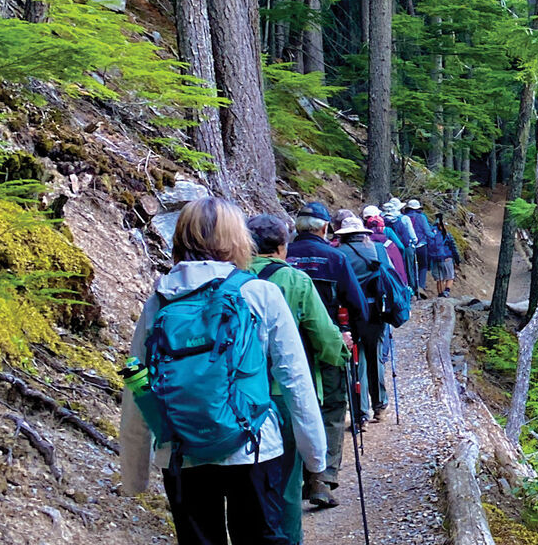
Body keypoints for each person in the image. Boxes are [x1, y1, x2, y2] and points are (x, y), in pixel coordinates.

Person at [118, 197, 326, 545]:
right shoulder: (259, 293)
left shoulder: (160, 300)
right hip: (254, 445)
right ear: (237, 240)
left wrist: (134, 474)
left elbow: (139, 388)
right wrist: (315, 456)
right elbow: (295, 381)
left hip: (181, 453)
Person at [246, 214, 352, 516]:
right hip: (284, 391)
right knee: (287, 488)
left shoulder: (230, 278)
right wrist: (340, 352)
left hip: (238, 393)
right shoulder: (294, 280)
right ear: (283, 246)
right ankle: (318, 480)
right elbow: (324, 336)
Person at [284, 202, 368, 504]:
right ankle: (323, 477)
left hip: (284, 348)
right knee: (331, 407)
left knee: (293, 407)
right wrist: (352, 337)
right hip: (328, 344)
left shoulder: (282, 258)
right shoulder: (335, 258)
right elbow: (358, 305)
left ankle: (294, 475)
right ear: (324, 229)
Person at [334, 216, 397, 423]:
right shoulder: (378, 250)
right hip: (376, 311)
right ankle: (380, 405)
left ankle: (360, 412)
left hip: (349, 313)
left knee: (355, 358)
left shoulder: (338, 254)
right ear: (363, 234)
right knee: (375, 356)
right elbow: (390, 276)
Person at [382, 199, 421, 291]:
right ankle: (412, 289)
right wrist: (414, 241)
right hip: (405, 247)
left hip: (389, 248)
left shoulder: (383, 221)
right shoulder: (402, 219)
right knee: (409, 269)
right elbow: (411, 234)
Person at [402, 199, 439, 294]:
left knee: (412, 267)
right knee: (423, 266)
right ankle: (421, 286)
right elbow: (427, 232)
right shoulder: (421, 217)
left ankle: (413, 287)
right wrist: (434, 235)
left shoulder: (404, 217)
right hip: (421, 245)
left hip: (409, 246)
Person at [434, 227, 459, 298]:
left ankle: (440, 294)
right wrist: (457, 260)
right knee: (450, 277)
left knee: (439, 279)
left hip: (436, 259)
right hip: (447, 259)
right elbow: (453, 248)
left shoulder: (432, 235)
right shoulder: (447, 235)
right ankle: (446, 292)